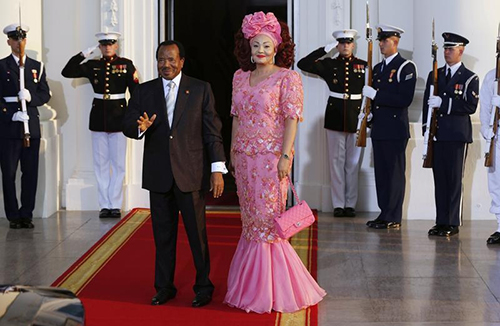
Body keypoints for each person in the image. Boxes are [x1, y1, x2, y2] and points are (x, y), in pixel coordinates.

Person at [224, 11, 326, 313]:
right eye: (256, 45)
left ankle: (274, 289)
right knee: (250, 222)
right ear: (248, 47)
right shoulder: (239, 77)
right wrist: (232, 151)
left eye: (267, 45)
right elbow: (236, 117)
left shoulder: (287, 77)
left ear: (277, 47)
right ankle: (251, 286)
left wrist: (285, 155)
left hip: (271, 159)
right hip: (243, 158)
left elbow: (292, 118)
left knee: (270, 222)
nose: (261, 51)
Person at [123, 40, 226, 307]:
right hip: (159, 176)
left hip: (190, 175)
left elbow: (212, 132)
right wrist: (140, 127)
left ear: (181, 61)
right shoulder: (144, 91)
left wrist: (217, 169)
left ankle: (203, 286)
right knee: (163, 236)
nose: (165, 65)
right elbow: (127, 123)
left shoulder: (201, 89)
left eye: (170, 60)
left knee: (197, 236)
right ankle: (164, 287)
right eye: (160, 59)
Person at [62, 31, 139, 218]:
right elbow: (67, 72)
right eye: (103, 44)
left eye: (110, 43)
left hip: (120, 118)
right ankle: (104, 205)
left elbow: (136, 93)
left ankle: (115, 204)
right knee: (101, 164)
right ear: (99, 46)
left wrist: (132, 118)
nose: (107, 47)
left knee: (119, 164)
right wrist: (84, 53)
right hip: (98, 119)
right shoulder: (92, 65)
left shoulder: (126, 65)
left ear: (116, 45)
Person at [297, 29, 366, 218]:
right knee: (336, 162)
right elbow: (302, 64)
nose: (345, 46)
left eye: (348, 43)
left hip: (356, 118)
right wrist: (324, 50)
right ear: (337, 45)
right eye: (341, 43)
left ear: (353, 45)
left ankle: (351, 203)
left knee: (352, 163)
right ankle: (339, 204)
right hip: (335, 116)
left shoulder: (363, 65)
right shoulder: (329, 64)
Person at [423, 33, 478, 237]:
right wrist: (426, 131)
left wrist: (444, 104)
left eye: (451, 49)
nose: (447, 52)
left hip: (457, 136)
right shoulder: (434, 75)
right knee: (440, 180)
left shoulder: (470, 77)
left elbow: (470, 106)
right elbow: (426, 106)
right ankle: (441, 221)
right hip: (437, 135)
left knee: (454, 180)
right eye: (445, 49)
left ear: (461, 51)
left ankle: (453, 222)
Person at [363, 24, 417, 229]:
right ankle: (384, 212)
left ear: (395, 41)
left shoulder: (406, 67)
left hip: (395, 129)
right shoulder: (378, 69)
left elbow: (404, 99)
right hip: (379, 128)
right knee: (382, 174)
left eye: (384, 40)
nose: (380, 44)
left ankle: (394, 216)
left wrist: (376, 95)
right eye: (380, 40)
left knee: (394, 174)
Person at [0, 24, 51, 229]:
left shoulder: (36, 66)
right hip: (9, 127)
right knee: (9, 173)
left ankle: (26, 214)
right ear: (8, 42)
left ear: (25, 41)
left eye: (21, 39)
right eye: (14, 39)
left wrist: (31, 98)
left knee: (30, 173)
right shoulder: (1, 66)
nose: (18, 43)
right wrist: (10, 114)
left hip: (31, 125)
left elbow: (45, 94)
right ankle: (13, 215)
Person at [480, 66, 500, 244]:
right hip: (497, 136)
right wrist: (486, 129)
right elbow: (485, 107)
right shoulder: (491, 76)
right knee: (496, 182)